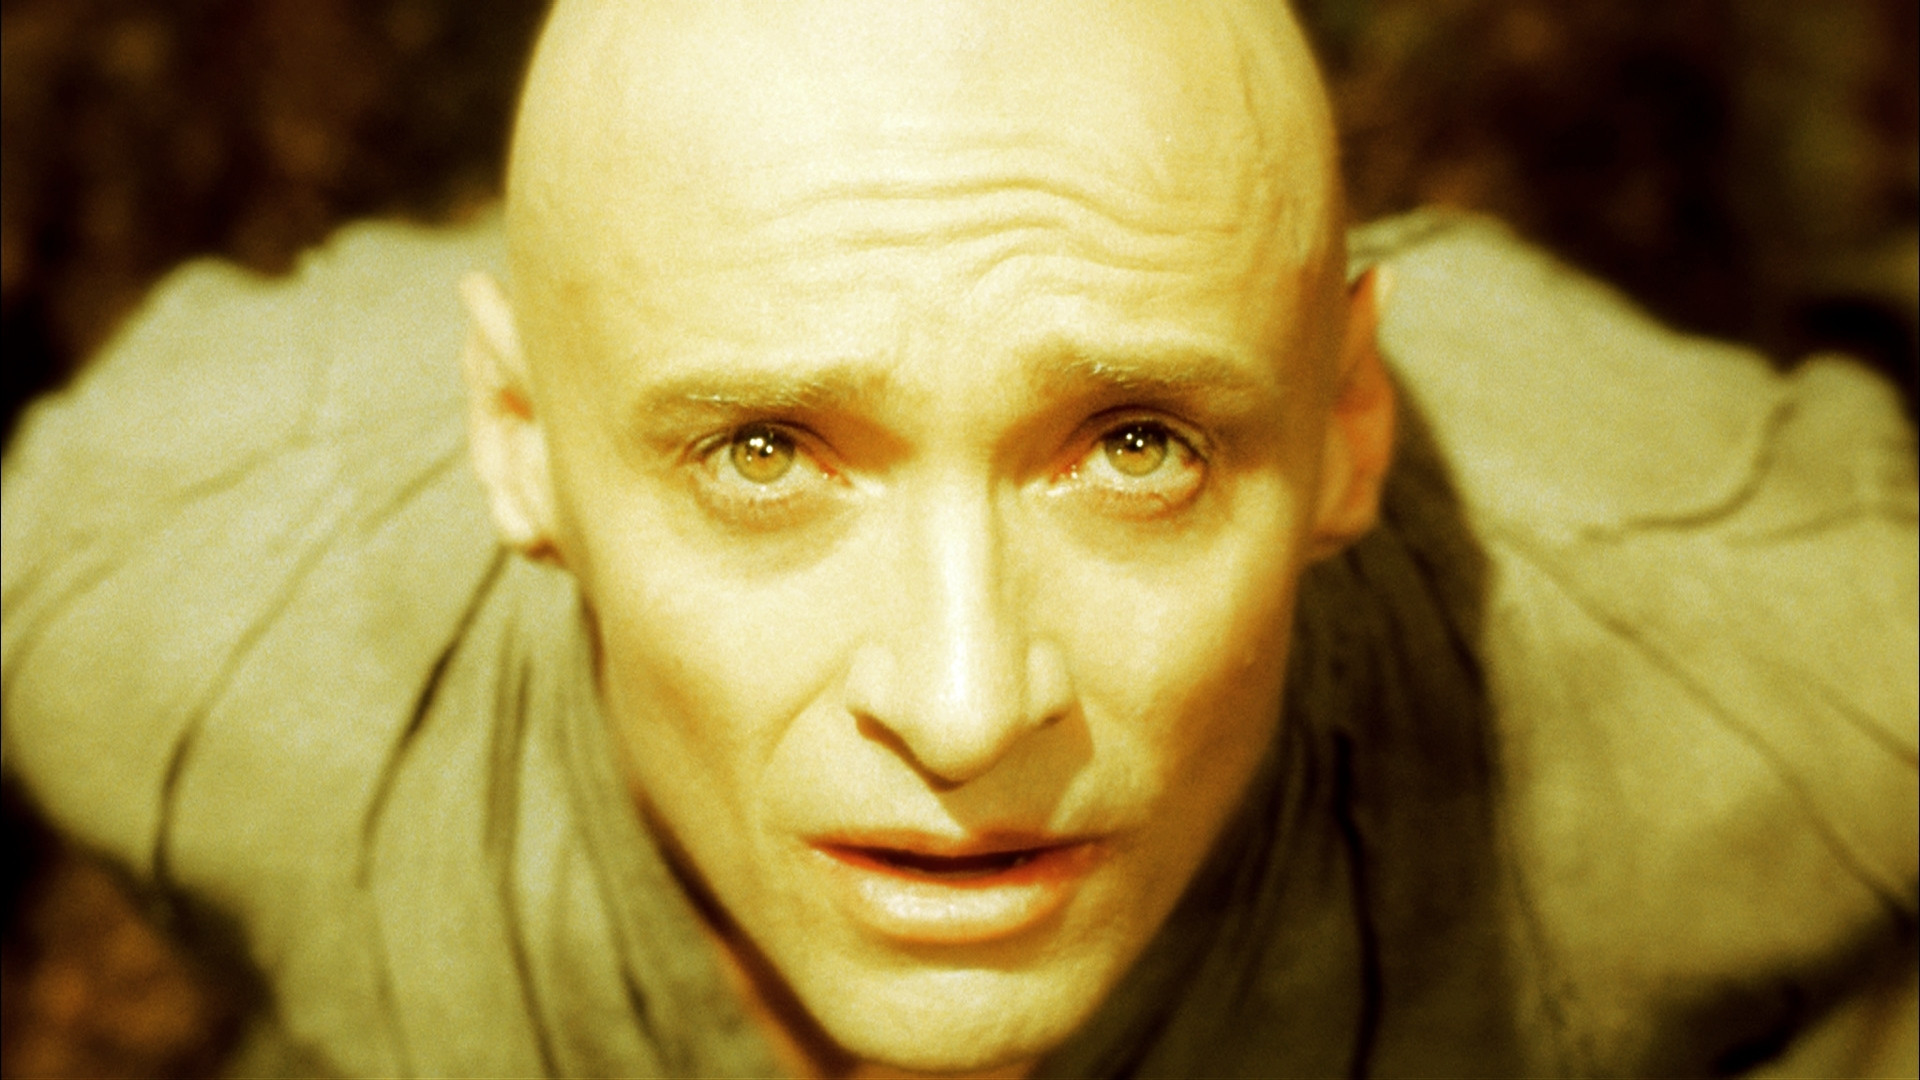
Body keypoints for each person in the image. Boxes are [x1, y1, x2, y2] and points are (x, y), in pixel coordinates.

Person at [2, 1, 1914, 1076]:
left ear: (1345, 434)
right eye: (765, 454)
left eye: (1138, 446)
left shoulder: (1775, 695)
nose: (964, 702)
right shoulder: (163, 612)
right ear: (517, 446)